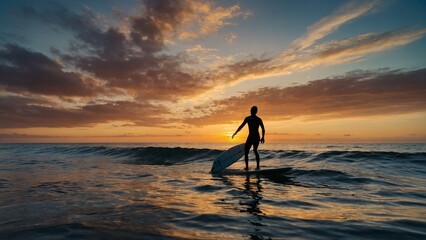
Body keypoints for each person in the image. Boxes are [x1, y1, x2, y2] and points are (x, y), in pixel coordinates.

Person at [232, 106, 265, 170]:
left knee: (247, 152)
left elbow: (241, 126)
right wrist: (262, 137)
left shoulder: (249, 118)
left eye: (252, 110)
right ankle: (257, 167)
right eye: (251, 110)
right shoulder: (258, 119)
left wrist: (263, 137)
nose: (251, 111)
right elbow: (263, 129)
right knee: (255, 151)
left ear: (254, 111)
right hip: (256, 137)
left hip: (251, 137)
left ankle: (248, 167)